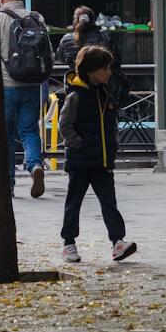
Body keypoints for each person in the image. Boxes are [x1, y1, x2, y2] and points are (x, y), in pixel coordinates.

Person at [56, 45, 136, 263]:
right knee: (74, 202)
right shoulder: (75, 95)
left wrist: (112, 146)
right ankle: (68, 243)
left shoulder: (104, 93)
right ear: (91, 70)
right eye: (105, 68)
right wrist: (78, 144)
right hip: (81, 161)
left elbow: (111, 122)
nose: (108, 72)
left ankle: (118, 241)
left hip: (102, 160)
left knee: (109, 202)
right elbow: (65, 125)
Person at [0, 0, 52, 198]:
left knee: (6, 135)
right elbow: (49, 51)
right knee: (29, 130)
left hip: (6, 85)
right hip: (32, 84)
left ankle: (8, 183)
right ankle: (34, 165)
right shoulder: (36, 17)